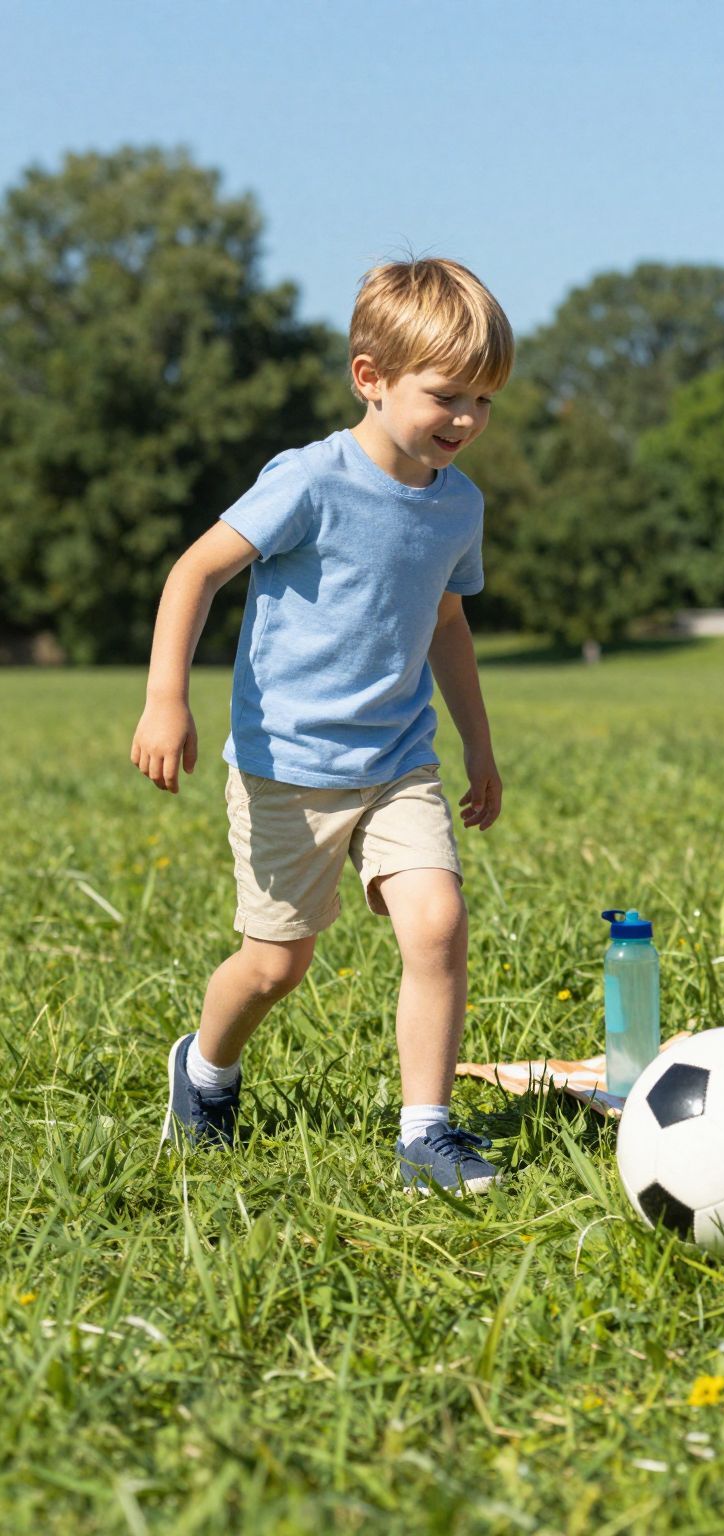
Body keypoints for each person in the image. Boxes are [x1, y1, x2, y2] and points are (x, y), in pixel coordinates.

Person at [130, 257, 514, 1194]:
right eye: (445, 395)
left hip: (395, 762)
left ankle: (426, 1132)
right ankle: (205, 1068)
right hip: (287, 770)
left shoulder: (457, 505)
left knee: (437, 921)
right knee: (275, 966)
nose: (464, 420)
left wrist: (478, 744)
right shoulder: (309, 480)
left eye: (482, 400)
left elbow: (447, 624)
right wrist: (165, 699)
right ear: (370, 378)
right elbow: (195, 572)